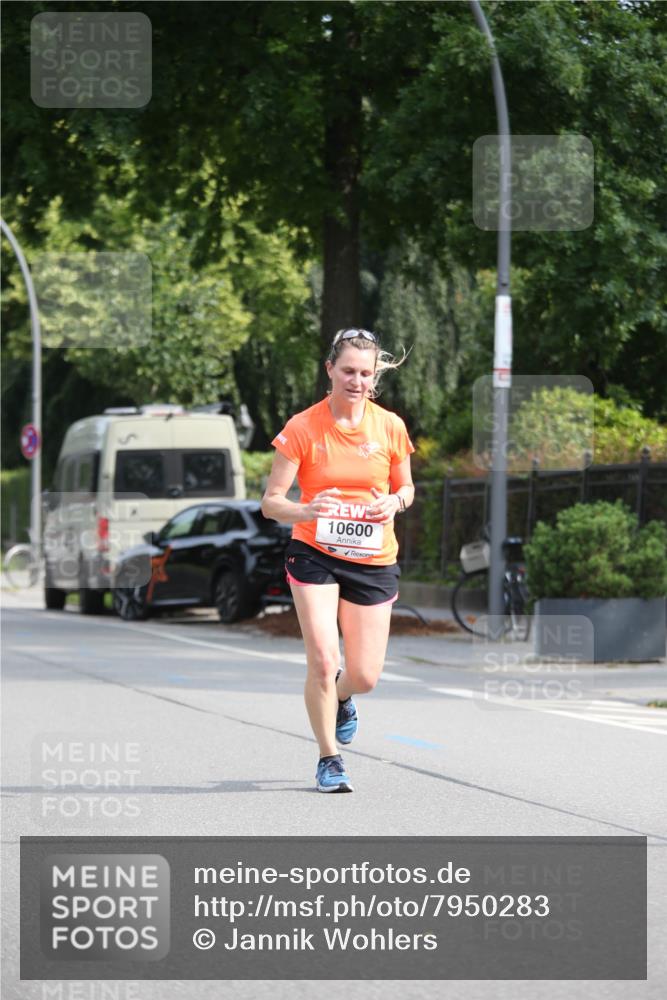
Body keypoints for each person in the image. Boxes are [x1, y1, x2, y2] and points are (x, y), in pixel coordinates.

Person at [261, 328, 415, 793]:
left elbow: (406, 487)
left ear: (375, 377)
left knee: (364, 676)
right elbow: (271, 502)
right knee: (324, 660)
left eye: (365, 374)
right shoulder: (302, 427)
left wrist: (395, 503)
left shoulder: (390, 426)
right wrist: (305, 510)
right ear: (330, 370)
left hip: (373, 556)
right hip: (314, 553)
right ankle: (329, 757)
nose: (357, 381)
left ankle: (344, 698)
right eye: (348, 371)